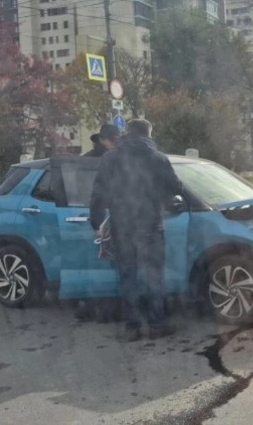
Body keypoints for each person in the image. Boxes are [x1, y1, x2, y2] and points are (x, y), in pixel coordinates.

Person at [89, 119, 182, 342]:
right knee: (154, 276)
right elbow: (176, 187)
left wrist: (96, 223)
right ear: (149, 133)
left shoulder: (110, 157)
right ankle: (157, 324)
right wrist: (163, 198)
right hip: (151, 225)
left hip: (122, 226)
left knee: (127, 276)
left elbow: (98, 192)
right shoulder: (157, 158)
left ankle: (132, 327)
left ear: (126, 133)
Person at [76, 123, 122, 322]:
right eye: (113, 139)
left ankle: (90, 307)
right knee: (107, 265)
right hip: (103, 216)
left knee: (94, 265)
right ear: (103, 140)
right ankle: (104, 309)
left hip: (87, 213)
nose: (115, 143)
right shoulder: (109, 160)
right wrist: (99, 223)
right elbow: (99, 193)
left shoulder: (86, 159)